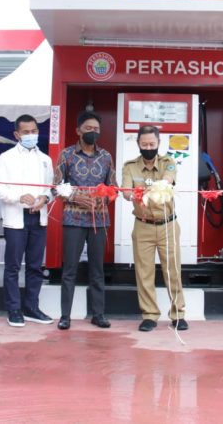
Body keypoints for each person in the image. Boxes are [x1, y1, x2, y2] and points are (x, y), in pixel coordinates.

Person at [121, 125, 188, 332]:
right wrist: (132, 194)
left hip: (168, 225)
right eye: (144, 144)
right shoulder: (130, 166)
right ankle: (149, 315)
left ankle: (178, 314)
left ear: (159, 143)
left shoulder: (168, 162)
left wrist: (156, 187)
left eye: (152, 144)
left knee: (173, 271)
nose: (148, 148)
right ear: (138, 144)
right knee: (144, 272)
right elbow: (126, 190)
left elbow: (168, 179)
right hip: (143, 226)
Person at [54, 110, 116, 330]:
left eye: (96, 129)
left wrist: (104, 199)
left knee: (97, 270)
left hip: (99, 221)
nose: (93, 132)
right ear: (78, 131)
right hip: (73, 219)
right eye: (88, 128)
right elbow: (57, 186)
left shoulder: (106, 156)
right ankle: (65, 316)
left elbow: (113, 188)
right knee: (69, 269)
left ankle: (98, 314)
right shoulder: (66, 155)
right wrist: (75, 197)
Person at [0, 114, 53, 327]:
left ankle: (31, 307)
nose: (31, 135)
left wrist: (45, 198)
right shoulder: (6, 158)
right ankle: (13, 309)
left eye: (34, 131)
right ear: (17, 134)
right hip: (16, 218)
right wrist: (19, 197)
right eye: (26, 132)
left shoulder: (45, 159)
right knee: (13, 266)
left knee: (35, 266)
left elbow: (50, 188)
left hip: (38, 218)